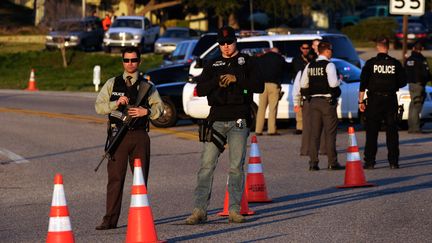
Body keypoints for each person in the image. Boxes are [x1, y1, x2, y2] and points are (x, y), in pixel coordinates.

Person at [185, 26, 264, 224]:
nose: (226, 46)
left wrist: (237, 79)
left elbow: (259, 85)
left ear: (235, 42)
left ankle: (234, 210)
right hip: (216, 119)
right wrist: (216, 82)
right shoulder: (212, 64)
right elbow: (200, 89)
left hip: (239, 118)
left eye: (229, 42)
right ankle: (199, 210)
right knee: (206, 166)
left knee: (236, 167)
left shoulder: (247, 61)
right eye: (222, 43)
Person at [94, 46, 164, 230]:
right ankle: (109, 220)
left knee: (140, 180)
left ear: (139, 62)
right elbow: (99, 107)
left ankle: (139, 219)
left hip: (140, 137)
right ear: (122, 62)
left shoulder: (147, 86)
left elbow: (160, 109)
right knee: (115, 179)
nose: (130, 63)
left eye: (133, 60)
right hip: (118, 136)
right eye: (126, 60)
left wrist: (145, 111)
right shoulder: (112, 83)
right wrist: (116, 103)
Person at [359, 37, 406, 169]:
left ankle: (369, 161)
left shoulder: (370, 63)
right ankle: (393, 161)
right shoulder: (395, 63)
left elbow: (363, 84)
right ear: (388, 47)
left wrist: (361, 101)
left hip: (374, 100)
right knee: (392, 131)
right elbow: (403, 82)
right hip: (390, 99)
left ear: (377, 47)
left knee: (372, 132)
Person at [300, 42, 343, 171]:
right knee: (330, 133)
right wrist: (339, 82)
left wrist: (308, 97)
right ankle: (332, 162)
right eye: (331, 50)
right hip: (326, 102)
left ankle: (313, 163)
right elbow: (333, 83)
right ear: (327, 51)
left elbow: (303, 84)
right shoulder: (329, 65)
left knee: (315, 134)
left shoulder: (310, 65)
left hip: (313, 102)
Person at [255, 47, 286, 136]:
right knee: (272, 108)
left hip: (263, 85)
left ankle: (258, 130)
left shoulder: (261, 58)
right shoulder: (279, 59)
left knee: (261, 108)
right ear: (277, 52)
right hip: (274, 85)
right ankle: (271, 130)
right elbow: (283, 70)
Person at [405, 42, 431, 133]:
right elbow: (425, 73)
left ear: (413, 49)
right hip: (419, 85)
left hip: (410, 85)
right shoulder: (421, 59)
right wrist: (427, 79)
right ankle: (415, 128)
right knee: (417, 106)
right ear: (421, 49)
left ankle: (411, 127)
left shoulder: (408, 60)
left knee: (412, 105)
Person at [291, 43, 312, 135]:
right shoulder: (296, 60)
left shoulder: (312, 58)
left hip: (309, 88)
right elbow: (293, 72)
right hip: (299, 86)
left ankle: (309, 127)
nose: (306, 50)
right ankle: (299, 127)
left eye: (307, 48)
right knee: (299, 110)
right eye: (304, 48)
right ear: (301, 48)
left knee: (309, 110)